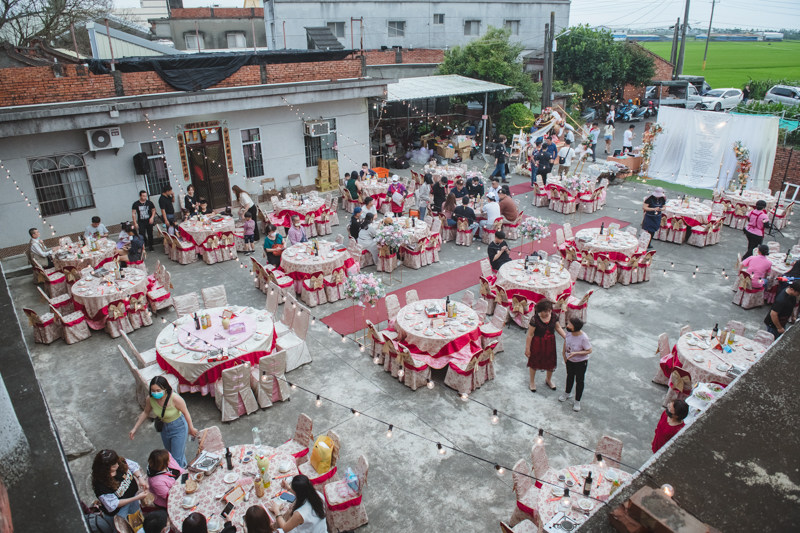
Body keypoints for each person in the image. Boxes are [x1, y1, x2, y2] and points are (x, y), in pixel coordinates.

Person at [129, 376, 198, 468]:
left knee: (177, 458)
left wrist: (191, 428)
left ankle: (179, 476)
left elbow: (186, 413)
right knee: (170, 455)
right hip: (164, 428)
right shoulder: (150, 399)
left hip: (178, 426)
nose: (155, 393)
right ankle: (183, 468)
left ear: (165, 388)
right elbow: (146, 412)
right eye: (153, 390)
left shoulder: (175, 399)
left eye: (158, 390)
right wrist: (135, 428)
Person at [92, 449, 149, 519]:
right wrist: (137, 498)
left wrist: (140, 478)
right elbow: (113, 504)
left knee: (136, 517)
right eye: (113, 466)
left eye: (117, 462)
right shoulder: (101, 485)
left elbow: (133, 466)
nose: (118, 465)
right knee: (123, 525)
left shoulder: (120, 462)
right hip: (120, 510)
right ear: (105, 468)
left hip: (133, 497)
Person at [525, 299, 567, 392]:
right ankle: (532, 382)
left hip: (550, 343)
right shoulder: (535, 319)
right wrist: (527, 348)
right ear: (540, 311)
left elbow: (558, 327)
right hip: (537, 343)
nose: (548, 313)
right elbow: (530, 335)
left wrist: (566, 337)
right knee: (534, 362)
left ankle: (548, 379)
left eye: (549, 310)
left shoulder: (553, 316)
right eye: (545, 311)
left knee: (550, 362)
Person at [559, 317, 592, 412]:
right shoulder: (569, 333)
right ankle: (567, 393)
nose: (567, 325)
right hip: (570, 360)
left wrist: (576, 353)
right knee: (569, 376)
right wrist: (564, 354)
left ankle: (577, 401)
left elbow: (589, 350)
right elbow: (566, 341)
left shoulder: (583, 338)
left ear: (575, 327)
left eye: (569, 324)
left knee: (579, 380)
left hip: (580, 362)